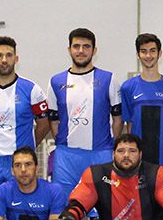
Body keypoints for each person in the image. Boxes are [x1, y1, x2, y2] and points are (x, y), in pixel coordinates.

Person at [0, 36, 50, 213]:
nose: (4, 60)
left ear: (16, 58)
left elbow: (44, 124)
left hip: (20, 162)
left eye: (9, 55)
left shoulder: (32, 89)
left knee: (23, 211)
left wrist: (28, 146)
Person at [47, 28, 123, 202]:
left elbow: (118, 120)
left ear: (94, 50)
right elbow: (53, 120)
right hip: (66, 156)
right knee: (66, 206)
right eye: (76, 46)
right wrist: (63, 143)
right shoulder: (56, 81)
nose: (81, 51)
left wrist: (110, 146)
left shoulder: (109, 79)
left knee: (103, 207)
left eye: (86, 46)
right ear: (69, 49)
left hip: (100, 153)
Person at [120, 32, 163, 185]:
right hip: (139, 163)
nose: (148, 55)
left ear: (159, 53)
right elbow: (129, 126)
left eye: (152, 51)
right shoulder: (127, 88)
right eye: (144, 51)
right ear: (138, 55)